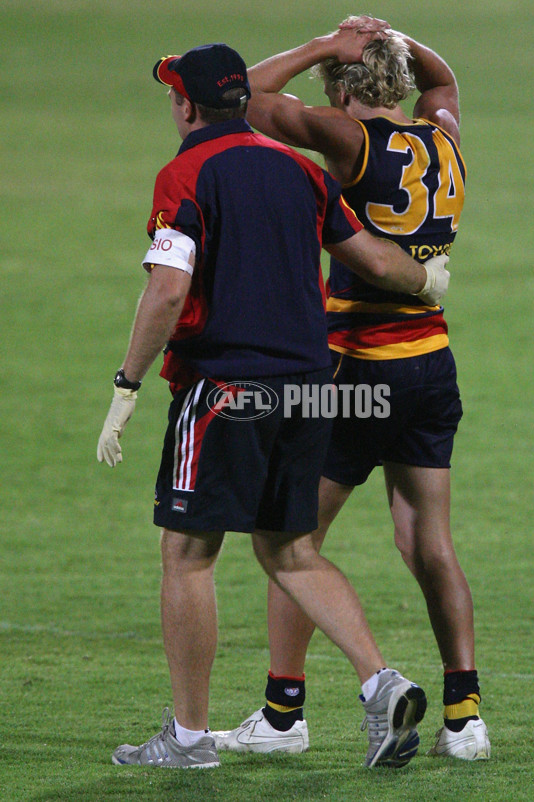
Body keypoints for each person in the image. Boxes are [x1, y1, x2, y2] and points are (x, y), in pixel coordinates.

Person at [97, 42, 451, 769]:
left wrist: (127, 384)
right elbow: (378, 259)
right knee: (289, 549)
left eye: (174, 94)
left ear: (187, 105)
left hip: (226, 389)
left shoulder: (187, 171)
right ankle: (382, 686)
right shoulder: (300, 171)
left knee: (187, 554)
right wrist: (426, 281)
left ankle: (190, 739)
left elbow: (166, 289)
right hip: (310, 388)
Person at [213, 17, 490, 761]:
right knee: (428, 542)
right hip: (433, 364)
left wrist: (319, 45)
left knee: (289, 538)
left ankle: (282, 714)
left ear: (339, 88)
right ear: (397, 82)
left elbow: (248, 98)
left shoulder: (348, 140)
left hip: (359, 371)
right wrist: (395, 36)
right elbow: (443, 80)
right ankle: (466, 718)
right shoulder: (442, 134)